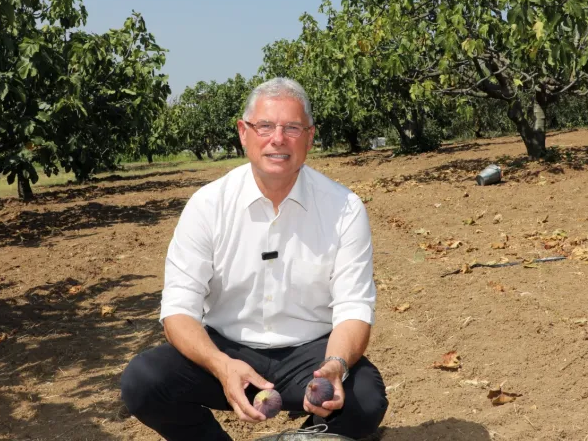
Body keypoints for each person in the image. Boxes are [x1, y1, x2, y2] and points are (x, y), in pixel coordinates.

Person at [120, 77, 388, 441]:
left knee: (365, 398)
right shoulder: (208, 206)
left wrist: (335, 365)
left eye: (292, 128)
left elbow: (354, 306)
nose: (278, 138)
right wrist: (221, 365)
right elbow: (177, 310)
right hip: (226, 350)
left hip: (310, 356)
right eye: (265, 126)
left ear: (310, 137)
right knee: (145, 380)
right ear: (243, 133)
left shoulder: (344, 208)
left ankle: (309, 438)